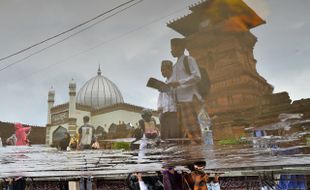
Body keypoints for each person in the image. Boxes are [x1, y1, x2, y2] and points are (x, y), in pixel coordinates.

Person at [169, 38, 203, 144]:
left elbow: (197, 76)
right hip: (180, 102)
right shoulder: (174, 67)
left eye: (173, 48)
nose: (171, 50)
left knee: (197, 129)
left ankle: (202, 152)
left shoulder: (188, 60)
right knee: (188, 132)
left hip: (190, 98)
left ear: (180, 47)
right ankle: (195, 154)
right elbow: (173, 85)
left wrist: (179, 82)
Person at [157, 60, 182, 140]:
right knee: (164, 136)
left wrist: (166, 90)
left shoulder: (175, 81)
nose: (162, 72)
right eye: (161, 70)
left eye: (164, 70)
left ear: (170, 69)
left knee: (174, 134)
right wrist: (159, 107)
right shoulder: (164, 82)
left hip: (173, 112)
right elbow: (160, 97)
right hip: (164, 113)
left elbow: (177, 96)